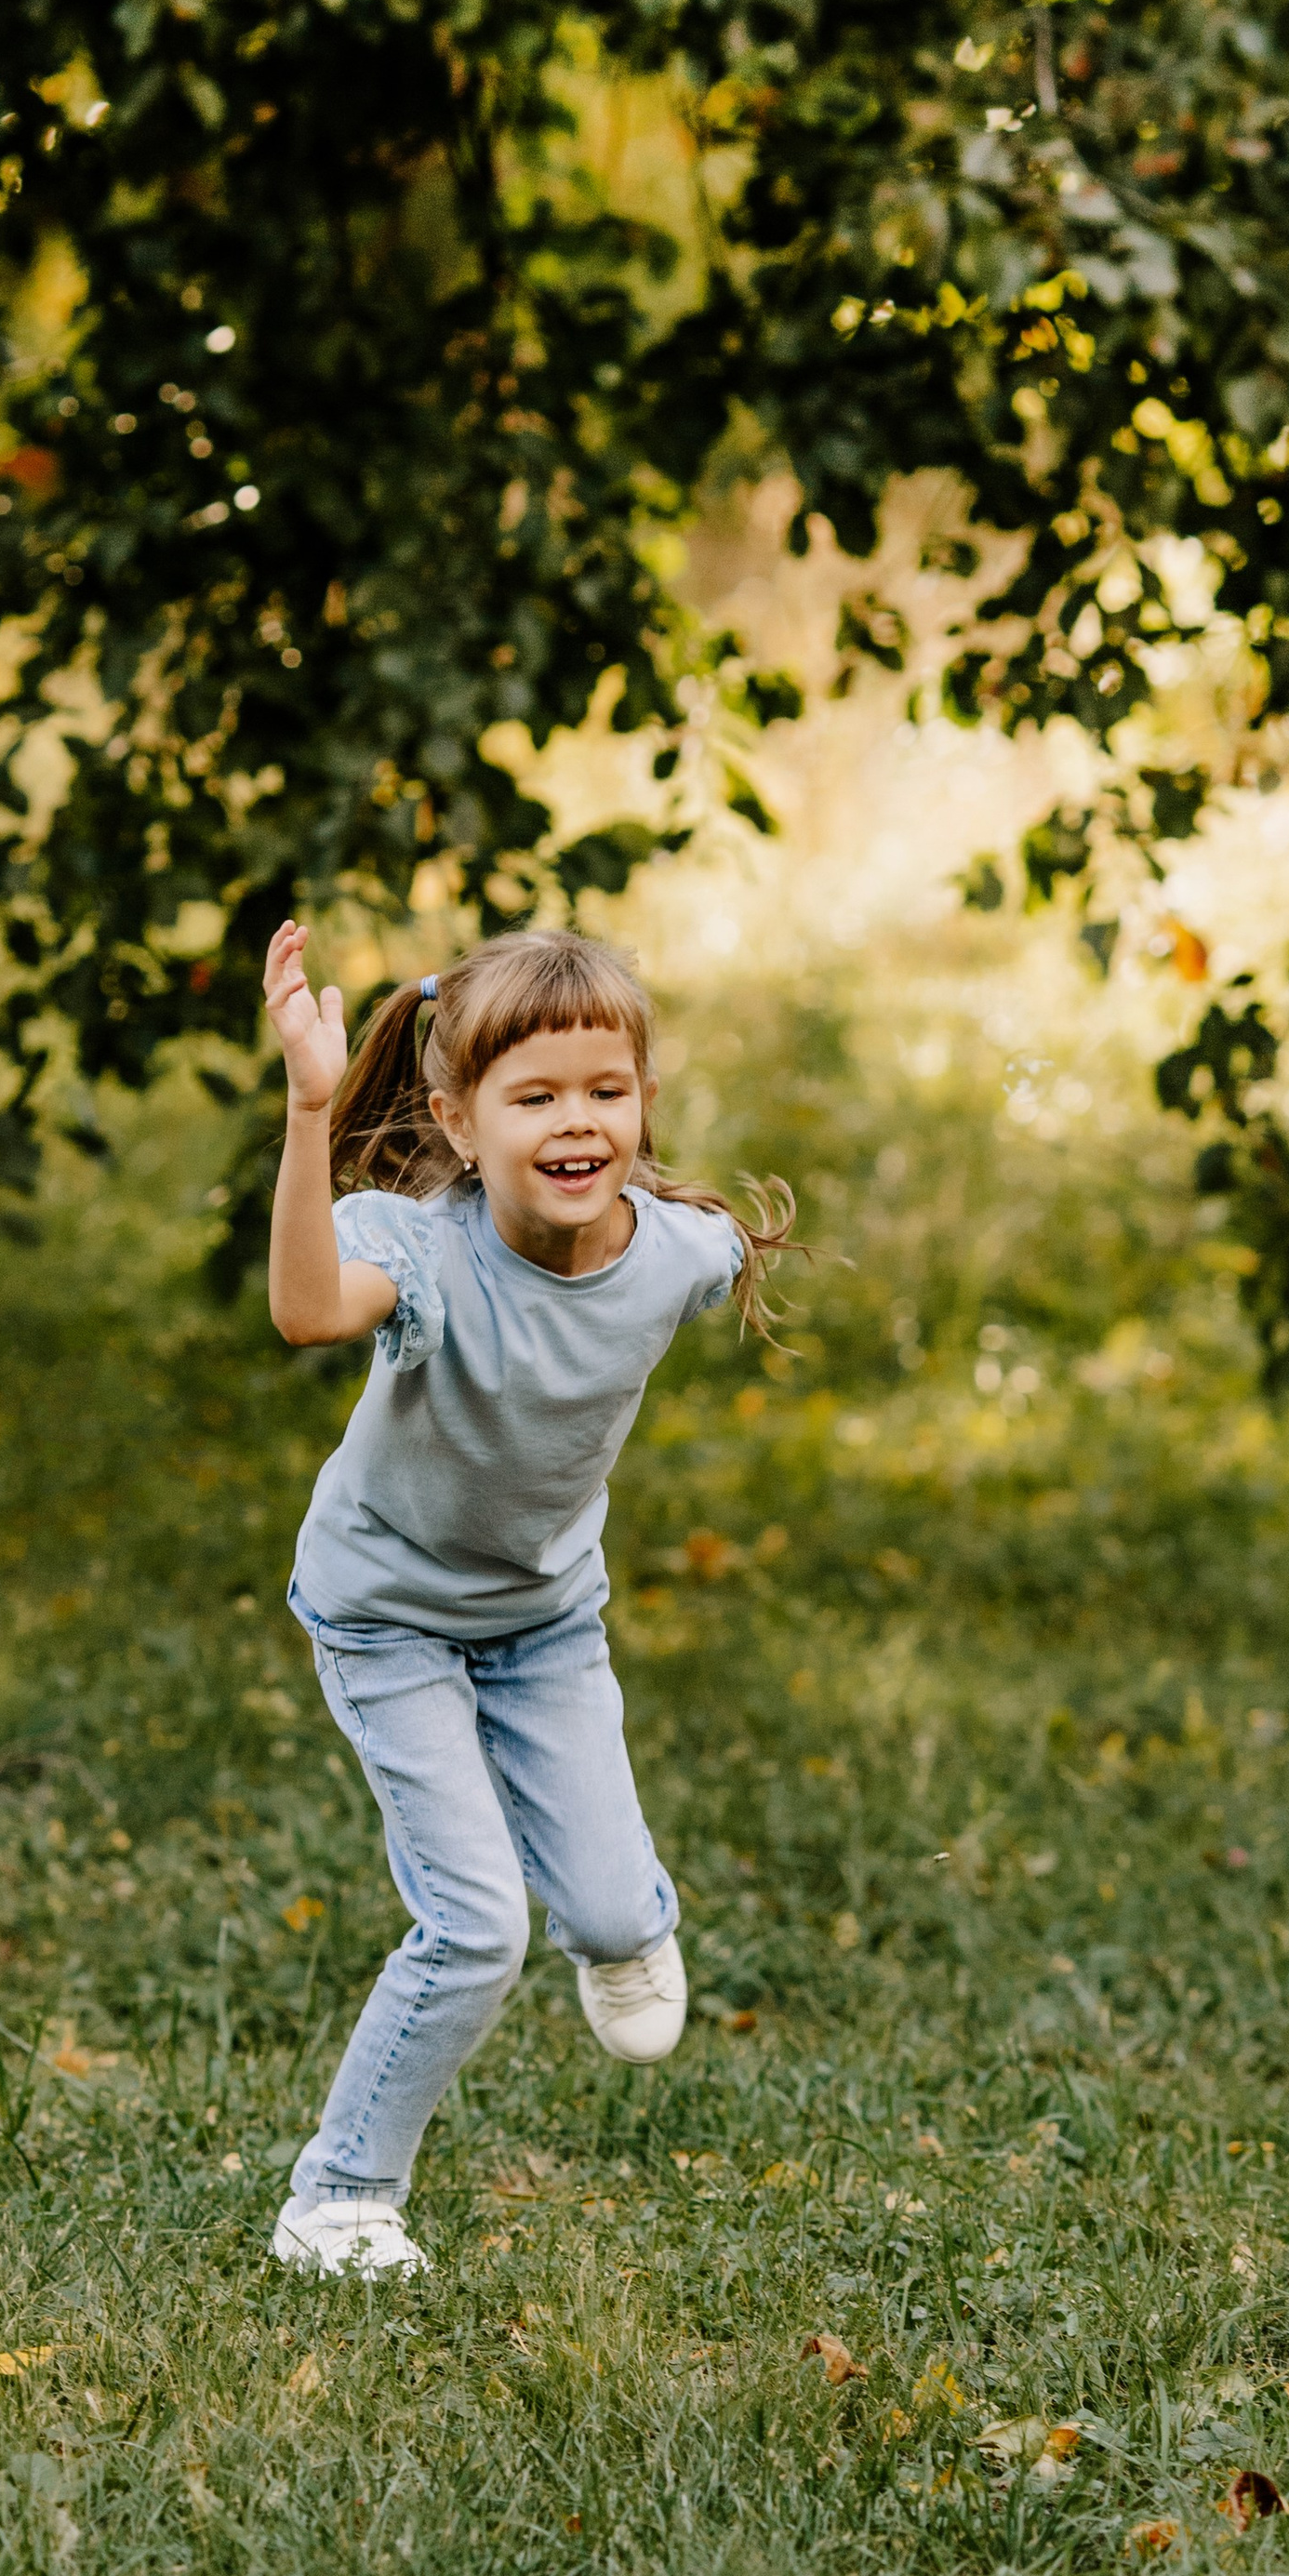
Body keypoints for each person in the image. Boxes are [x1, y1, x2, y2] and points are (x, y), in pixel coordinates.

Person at [259, 919, 796, 2277]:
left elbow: (733, 1251)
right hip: (388, 1618)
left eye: (606, 1093)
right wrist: (311, 1110)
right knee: (478, 1924)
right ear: (457, 1116)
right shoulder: (425, 1252)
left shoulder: (675, 1251)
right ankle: (340, 2201)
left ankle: (622, 1930)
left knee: (613, 1921)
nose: (577, 1125)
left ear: (645, 1103)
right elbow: (310, 1312)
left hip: (545, 1621)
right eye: (535, 1097)